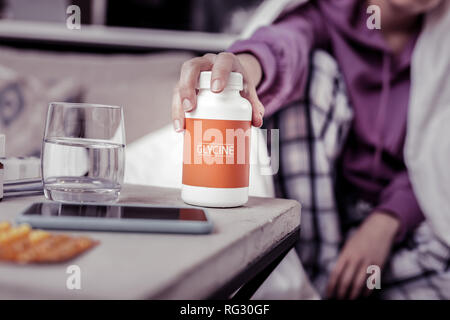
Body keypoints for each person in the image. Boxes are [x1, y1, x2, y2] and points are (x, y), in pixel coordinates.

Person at [171, 0, 444, 299]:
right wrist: (243, 72)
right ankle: (315, 279)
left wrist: (388, 220)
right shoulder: (325, 14)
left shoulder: (442, 42)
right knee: (316, 73)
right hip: (322, 216)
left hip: (412, 219)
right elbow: (283, 46)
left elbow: (441, 154)